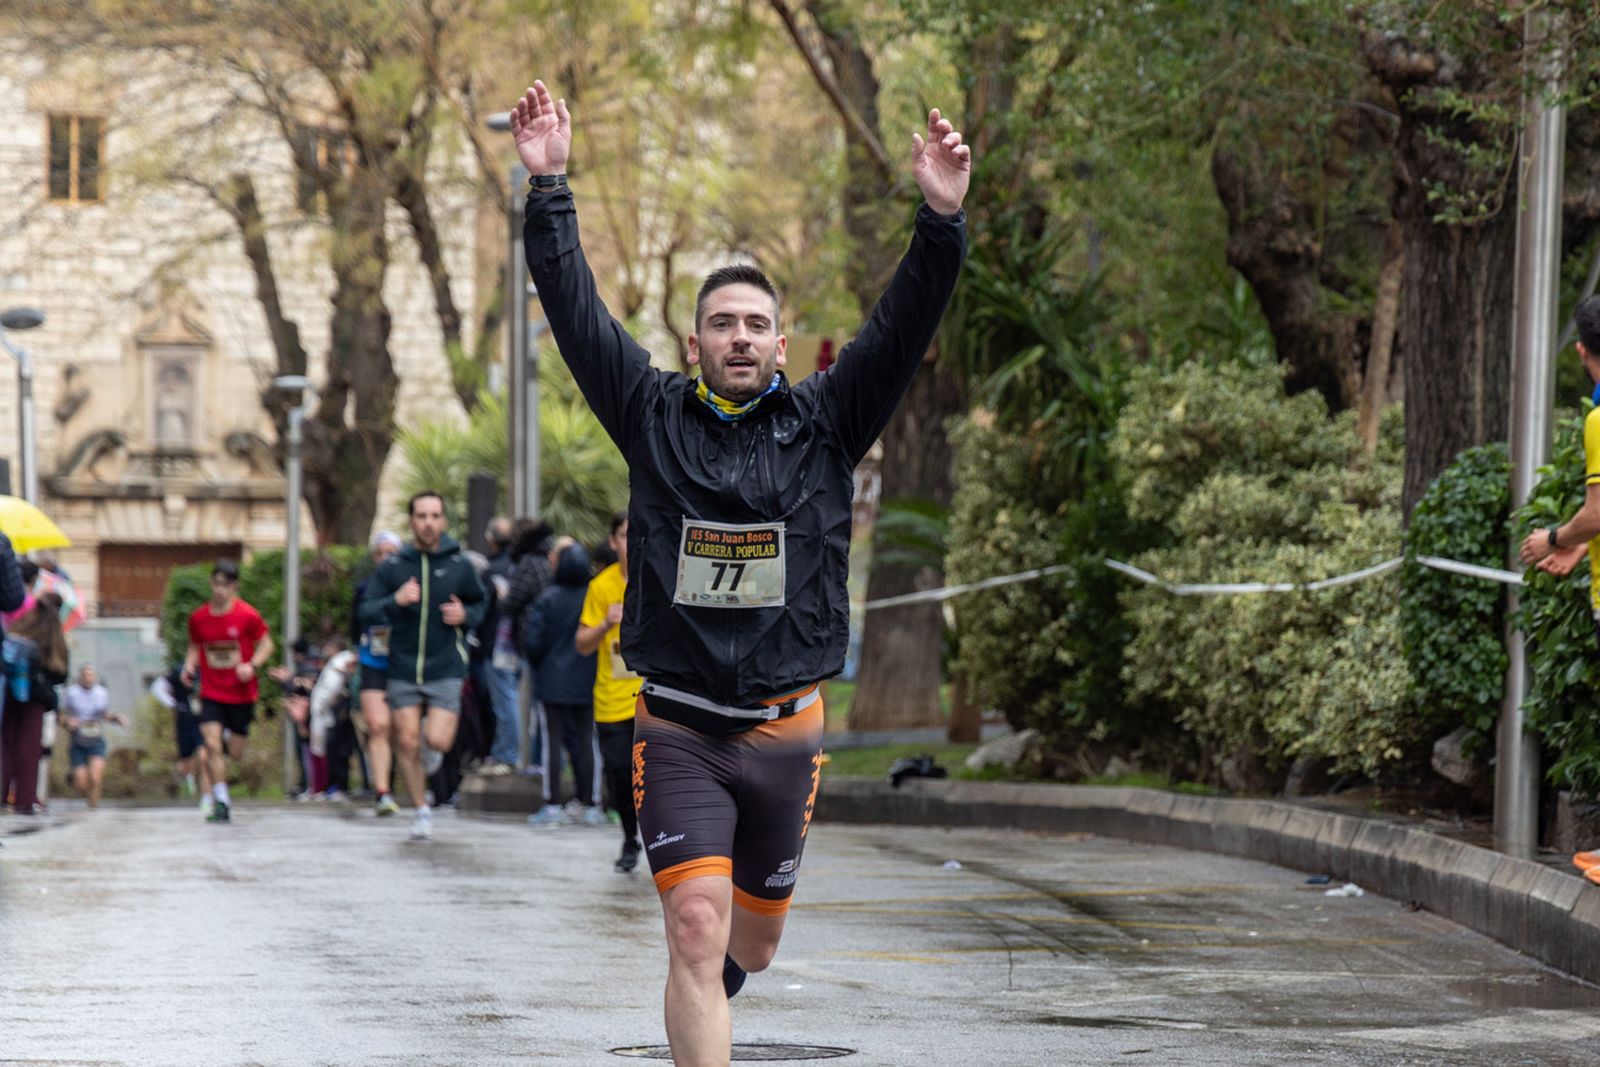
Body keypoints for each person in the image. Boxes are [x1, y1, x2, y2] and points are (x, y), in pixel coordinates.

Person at [511, 78, 969, 1062]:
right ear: (695, 342)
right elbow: (576, 310)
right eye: (722, 323)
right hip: (677, 725)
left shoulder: (828, 422)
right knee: (694, 927)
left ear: (780, 343)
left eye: (756, 324)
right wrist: (549, 186)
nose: (739, 338)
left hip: (784, 731)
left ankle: (720, 977)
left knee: (748, 945)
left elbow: (902, 327)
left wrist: (939, 219)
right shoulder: (649, 414)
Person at [1520, 294, 1600, 886]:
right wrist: (1581, 544)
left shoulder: (1599, 419)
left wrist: (1554, 537)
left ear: (1580, 351)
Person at [356, 491, 488, 840]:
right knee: (407, 740)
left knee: (438, 741)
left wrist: (465, 614)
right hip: (403, 668)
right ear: (411, 521)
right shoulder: (393, 567)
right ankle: (421, 810)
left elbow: (483, 604)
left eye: (435, 516)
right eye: (422, 516)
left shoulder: (459, 565)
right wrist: (396, 600)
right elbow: (365, 610)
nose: (429, 523)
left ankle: (430, 748)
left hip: (446, 667)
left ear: (443, 520)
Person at [181, 558, 274, 824]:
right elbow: (194, 646)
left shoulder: (247, 615)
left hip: (241, 693)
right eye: (216, 583)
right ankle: (221, 801)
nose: (220, 590)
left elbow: (267, 644)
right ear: (211, 583)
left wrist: (252, 665)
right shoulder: (199, 618)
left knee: (235, 752)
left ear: (235, 586)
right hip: (211, 691)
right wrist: (188, 666)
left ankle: (220, 753)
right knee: (211, 744)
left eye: (226, 585)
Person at [522, 536, 603, 828]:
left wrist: (540, 664)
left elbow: (532, 641)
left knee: (551, 743)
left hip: (551, 680)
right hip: (588, 678)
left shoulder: (547, 599)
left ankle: (552, 804)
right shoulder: (593, 596)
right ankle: (591, 803)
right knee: (587, 741)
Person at [577, 518, 643, 868]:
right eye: (624, 535)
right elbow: (582, 644)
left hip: (653, 698)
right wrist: (605, 623)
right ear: (614, 541)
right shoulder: (600, 586)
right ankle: (630, 839)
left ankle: (664, 842)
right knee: (619, 774)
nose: (631, 542)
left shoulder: (660, 579)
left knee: (657, 777)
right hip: (612, 699)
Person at [0, 593, 69, 815]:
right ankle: (25, 800)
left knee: (6, 745)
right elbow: (61, 674)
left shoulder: (19, 627)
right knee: (29, 748)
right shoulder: (54, 636)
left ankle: (2, 796)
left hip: (11, 693)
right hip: (37, 699)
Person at [352, 530, 403, 815]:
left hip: (403, 664)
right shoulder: (365, 588)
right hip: (373, 659)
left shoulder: (413, 587)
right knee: (376, 725)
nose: (385, 559)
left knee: (399, 729)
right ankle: (382, 791)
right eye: (380, 553)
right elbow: (356, 621)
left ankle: (392, 780)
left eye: (391, 553)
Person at [481, 516, 522, 775]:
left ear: (492, 539)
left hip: (498, 646)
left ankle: (507, 754)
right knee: (509, 699)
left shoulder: (492, 571)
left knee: (505, 701)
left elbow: (484, 611)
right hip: (518, 645)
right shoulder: (519, 567)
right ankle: (502, 751)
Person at [61, 664, 126, 809]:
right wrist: (67, 722)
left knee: (96, 778)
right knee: (81, 783)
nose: (87, 678)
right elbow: (61, 715)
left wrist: (117, 718)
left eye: (90, 675)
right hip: (77, 739)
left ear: (95, 677)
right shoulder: (71, 692)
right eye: (84, 675)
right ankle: (74, 777)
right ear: (80, 677)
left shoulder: (101, 693)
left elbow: (105, 714)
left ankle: (93, 808)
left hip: (96, 738)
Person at [151, 664, 207, 805]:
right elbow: (156, 687)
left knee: (203, 757)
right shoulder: (179, 670)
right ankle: (181, 785)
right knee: (186, 762)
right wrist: (173, 704)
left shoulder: (207, 669)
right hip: (185, 722)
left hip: (205, 721)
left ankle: (206, 797)